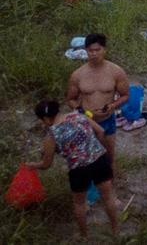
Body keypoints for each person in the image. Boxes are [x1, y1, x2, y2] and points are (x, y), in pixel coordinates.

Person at [31, 99, 119, 238]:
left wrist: (31, 166)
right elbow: (101, 131)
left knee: (79, 203)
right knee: (108, 197)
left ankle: (84, 236)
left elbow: (46, 164)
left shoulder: (51, 135)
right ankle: (115, 229)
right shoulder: (79, 116)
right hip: (99, 159)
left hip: (78, 169)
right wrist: (98, 148)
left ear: (47, 119)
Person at [66, 33, 129, 163]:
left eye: (97, 50)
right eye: (90, 50)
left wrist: (113, 106)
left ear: (104, 50)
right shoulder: (78, 75)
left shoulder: (116, 71)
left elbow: (126, 96)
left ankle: (110, 180)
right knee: (87, 157)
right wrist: (79, 110)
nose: (94, 54)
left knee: (109, 156)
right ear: (86, 51)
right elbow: (71, 99)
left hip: (107, 119)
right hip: (87, 121)